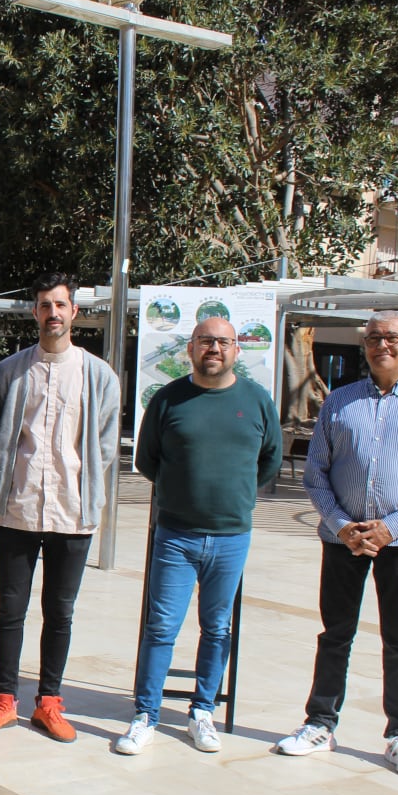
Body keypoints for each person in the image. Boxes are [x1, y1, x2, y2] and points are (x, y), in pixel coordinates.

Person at [277, 312, 398, 778]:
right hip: (343, 541)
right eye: (375, 337)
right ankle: (320, 723)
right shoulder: (339, 402)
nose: (383, 345)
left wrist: (390, 529)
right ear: (365, 345)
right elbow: (315, 475)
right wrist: (341, 525)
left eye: (393, 338)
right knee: (335, 634)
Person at [115, 317, 280, 755]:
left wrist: (233, 498)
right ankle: (145, 714)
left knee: (217, 627)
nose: (214, 349)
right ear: (190, 348)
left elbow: (269, 461)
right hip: (176, 535)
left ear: (236, 352)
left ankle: (202, 711)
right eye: (206, 341)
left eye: (223, 342)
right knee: (161, 626)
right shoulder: (169, 400)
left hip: (230, 537)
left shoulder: (257, 400)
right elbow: (148, 461)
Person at [0, 273, 120, 741]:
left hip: (72, 512)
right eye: (43, 305)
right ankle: (4, 699)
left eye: (60, 305)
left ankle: (50, 702)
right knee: (9, 608)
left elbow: (106, 442)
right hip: (17, 508)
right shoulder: (11, 371)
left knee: (60, 611)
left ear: (75, 312)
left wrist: (85, 486)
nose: (52, 313)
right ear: (34, 313)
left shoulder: (98, 375)